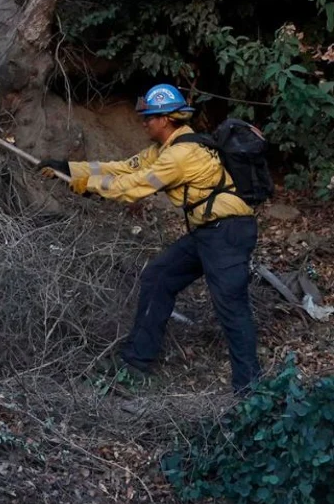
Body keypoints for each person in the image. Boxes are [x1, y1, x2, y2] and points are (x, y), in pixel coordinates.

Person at [40, 84, 261, 394]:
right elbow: (123, 168)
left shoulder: (182, 155)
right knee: (158, 278)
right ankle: (136, 362)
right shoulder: (166, 148)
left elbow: (135, 186)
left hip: (227, 233)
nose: (144, 123)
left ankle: (251, 392)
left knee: (231, 307)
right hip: (208, 232)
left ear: (167, 119)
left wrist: (89, 185)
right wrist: (71, 169)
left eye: (149, 118)